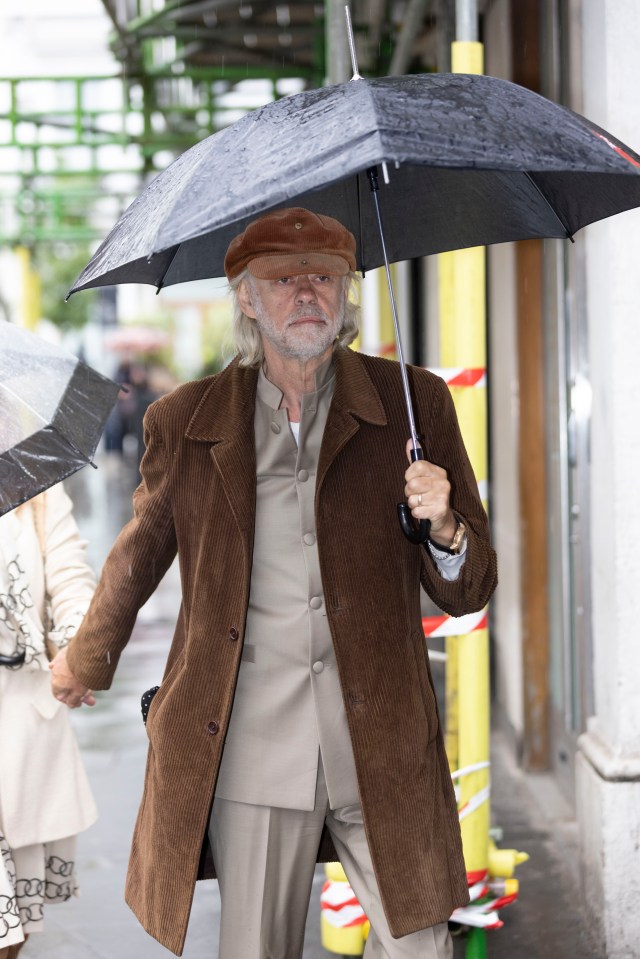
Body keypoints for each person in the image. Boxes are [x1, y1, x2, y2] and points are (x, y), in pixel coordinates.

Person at [51, 207, 497, 959]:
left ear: (348, 294)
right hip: (252, 747)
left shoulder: (412, 407)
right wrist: (84, 658)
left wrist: (447, 526)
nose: (306, 294)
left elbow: (471, 587)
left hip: (382, 740)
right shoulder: (186, 420)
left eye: (323, 277)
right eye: (283, 280)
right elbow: (140, 551)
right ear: (246, 298)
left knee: (423, 946)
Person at [0, 484, 98, 959]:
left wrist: (79, 652)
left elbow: (71, 576)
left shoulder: (31, 481)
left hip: (17, 730)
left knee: (11, 924)